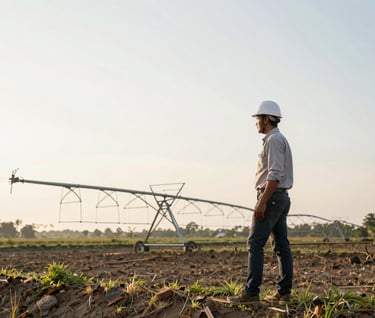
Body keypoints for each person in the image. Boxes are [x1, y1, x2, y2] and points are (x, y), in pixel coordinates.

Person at [229, 100, 293, 304]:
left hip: (272, 196)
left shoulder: (273, 140)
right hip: (281, 197)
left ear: (266, 119)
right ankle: (284, 292)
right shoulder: (278, 139)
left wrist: (262, 202)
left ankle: (251, 292)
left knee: (255, 243)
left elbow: (274, 175)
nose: (256, 123)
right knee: (281, 246)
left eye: (258, 119)